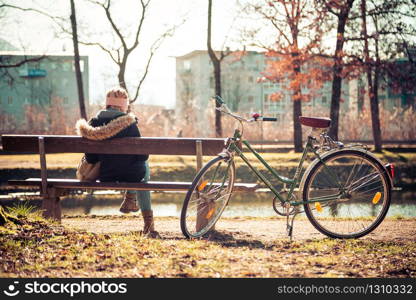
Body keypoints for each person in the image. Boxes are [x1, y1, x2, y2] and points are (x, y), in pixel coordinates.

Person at [76, 87, 159, 237]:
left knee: (141, 170)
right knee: (144, 169)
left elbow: (91, 158)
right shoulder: (130, 124)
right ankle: (146, 221)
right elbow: (142, 156)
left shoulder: (93, 123)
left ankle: (131, 199)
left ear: (107, 105)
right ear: (124, 106)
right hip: (133, 176)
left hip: (105, 175)